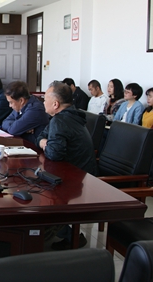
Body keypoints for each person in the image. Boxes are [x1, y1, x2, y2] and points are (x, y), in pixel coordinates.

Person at [38, 81, 96, 250]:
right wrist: (44, 142)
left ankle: (69, 236)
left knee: (35, 190)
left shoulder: (60, 121)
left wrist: (45, 143)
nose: (43, 102)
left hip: (76, 179)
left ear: (55, 104)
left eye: (45, 99)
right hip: (79, 173)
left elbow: (54, 153)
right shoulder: (66, 116)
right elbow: (40, 136)